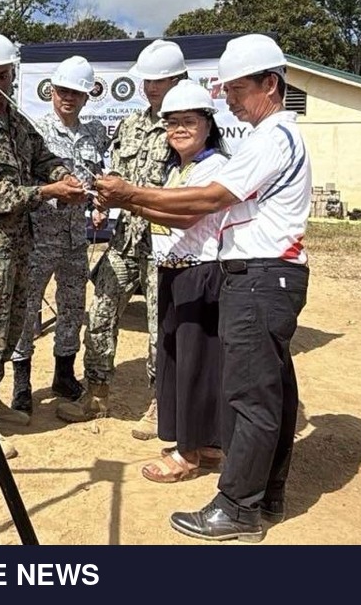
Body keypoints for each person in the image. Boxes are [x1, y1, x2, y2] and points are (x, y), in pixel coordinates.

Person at [95, 34, 311, 542]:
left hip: (259, 276)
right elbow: (193, 205)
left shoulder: (271, 140)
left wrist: (128, 192)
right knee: (270, 393)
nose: (229, 99)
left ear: (270, 84)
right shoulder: (268, 138)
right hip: (261, 277)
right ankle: (266, 494)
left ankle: (238, 508)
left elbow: (207, 200)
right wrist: (130, 200)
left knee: (249, 398)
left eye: (236, 89)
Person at [0, 30, 88, 460]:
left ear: (13, 73)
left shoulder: (13, 118)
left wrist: (64, 171)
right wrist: (49, 192)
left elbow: (42, 155)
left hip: (20, 244)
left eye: (4, 75)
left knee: (12, 325)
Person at [57, 39, 186, 438]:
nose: (150, 88)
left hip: (166, 246)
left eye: (158, 81)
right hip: (125, 240)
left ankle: (160, 404)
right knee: (99, 314)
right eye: (146, 81)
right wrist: (101, 201)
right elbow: (115, 174)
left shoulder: (189, 126)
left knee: (161, 328)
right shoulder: (131, 124)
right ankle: (96, 393)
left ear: (179, 79)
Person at [131, 80, 230, 484]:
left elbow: (188, 216)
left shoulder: (215, 167)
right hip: (173, 270)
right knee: (183, 359)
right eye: (172, 123)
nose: (179, 130)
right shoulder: (178, 168)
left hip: (199, 273)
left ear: (208, 123)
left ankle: (186, 455)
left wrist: (131, 200)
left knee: (193, 365)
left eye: (189, 121)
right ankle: (205, 442)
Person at [10, 56, 110, 415]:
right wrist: (54, 189)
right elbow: (23, 182)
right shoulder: (34, 131)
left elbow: (97, 176)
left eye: (77, 93)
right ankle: (21, 383)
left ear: (87, 97)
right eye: (63, 91)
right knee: (27, 308)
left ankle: (64, 375)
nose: (69, 98)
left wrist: (100, 206)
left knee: (72, 307)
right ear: (52, 91)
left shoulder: (94, 133)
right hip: (39, 235)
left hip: (75, 238)